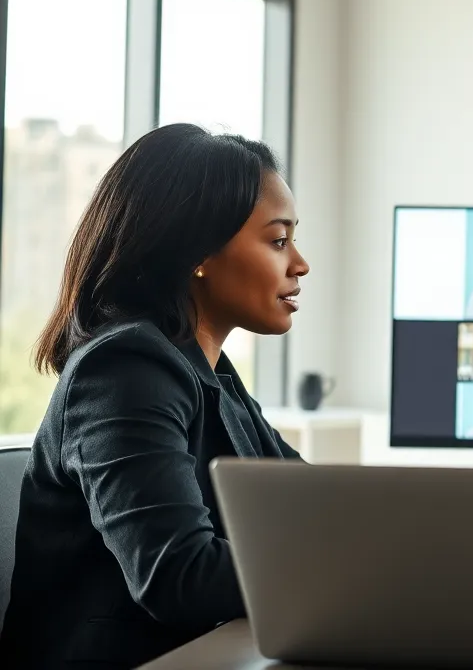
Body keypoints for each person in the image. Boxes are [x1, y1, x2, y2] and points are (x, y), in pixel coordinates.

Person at [0, 124, 308, 668]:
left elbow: (316, 506)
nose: (299, 263)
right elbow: (176, 574)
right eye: (278, 240)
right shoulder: (124, 369)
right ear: (199, 252)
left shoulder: (211, 374)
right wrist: (342, 567)